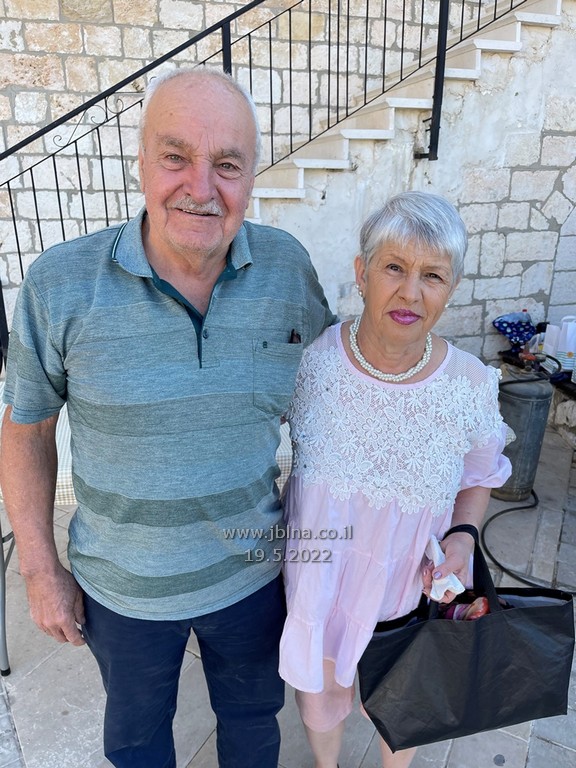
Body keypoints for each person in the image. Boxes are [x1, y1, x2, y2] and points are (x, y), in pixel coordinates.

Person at [0, 67, 335, 768]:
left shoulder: (287, 270)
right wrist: (39, 570)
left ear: (251, 176)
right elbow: (27, 428)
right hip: (122, 592)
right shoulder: (61, 284)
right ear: (142, 162)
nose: (201, 187)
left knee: (253, 723)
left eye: (228, 165)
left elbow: (330, 399)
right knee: (137, 741)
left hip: (253, 575)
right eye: (176, 156)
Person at [278, 191, 512, 768]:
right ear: (362, 273)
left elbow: (480, 473)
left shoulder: (469, 386)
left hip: (411, 585)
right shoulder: (310, 364)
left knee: (406, 705)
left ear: (451, 288)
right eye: (394, 267)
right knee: (321, 699)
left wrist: (463, 537)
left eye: (432, 275)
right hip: (321, 577)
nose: (410, 292)